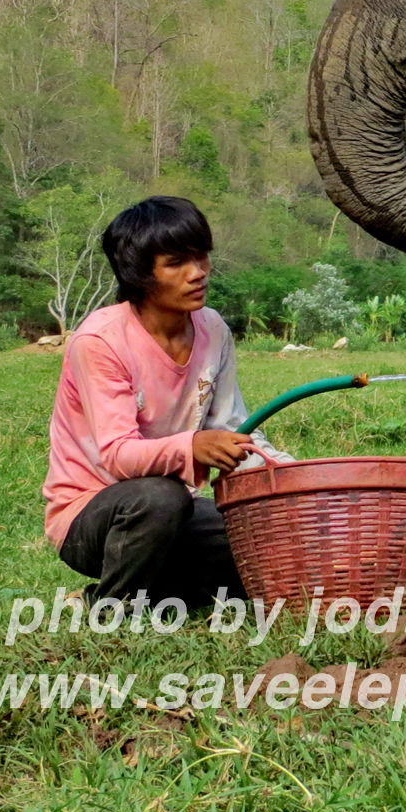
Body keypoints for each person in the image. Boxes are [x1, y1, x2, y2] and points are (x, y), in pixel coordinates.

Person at [42, 196, 290, 608]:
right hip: (92, 517)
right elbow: (117, 455)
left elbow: (235, 430)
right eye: (176, 263)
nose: (199, 274)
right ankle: (111, 605)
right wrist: (192, 447)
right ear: (138, 274)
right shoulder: (100, 342)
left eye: (203, 257)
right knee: (159, 498)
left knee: (266, 541)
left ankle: (151, 594)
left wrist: (293, 485)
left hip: (180, 511)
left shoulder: (212, 329)